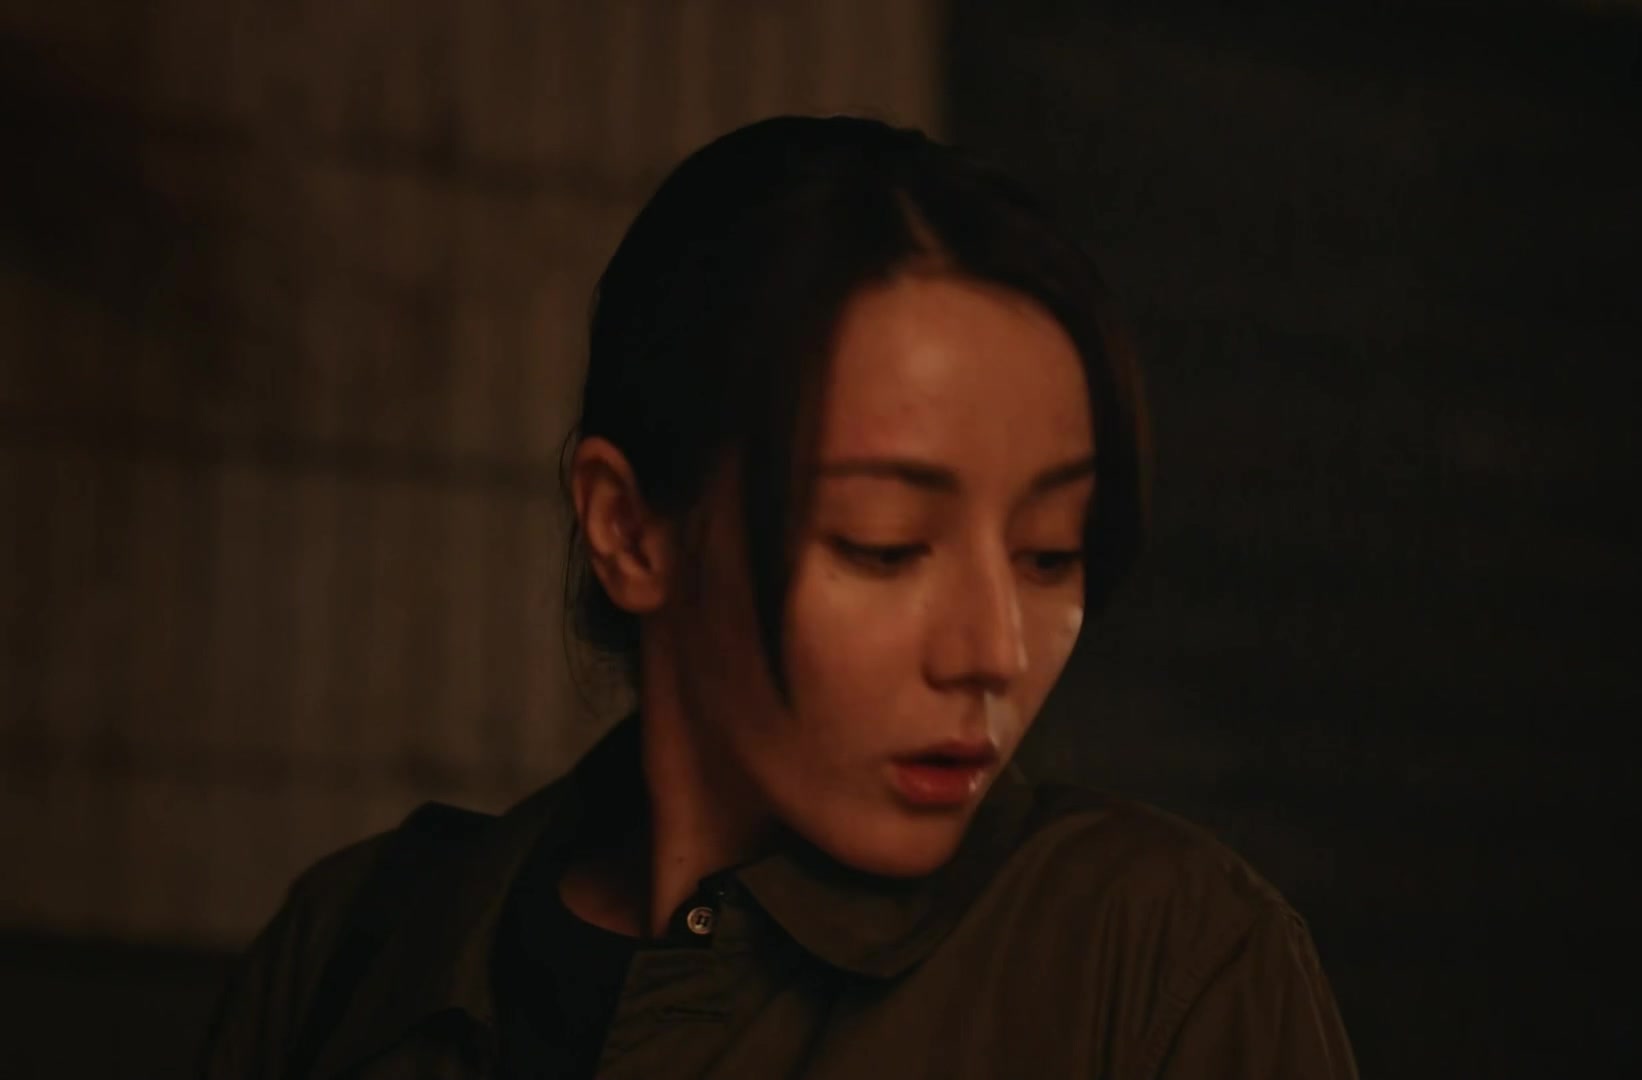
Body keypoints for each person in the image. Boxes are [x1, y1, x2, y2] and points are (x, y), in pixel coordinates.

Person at [197, 114, 1359, 1079]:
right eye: (886, 546)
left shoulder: (1157, 962)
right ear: (629, 530)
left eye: (1049, 554)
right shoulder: (356, 949)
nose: (993, 650)